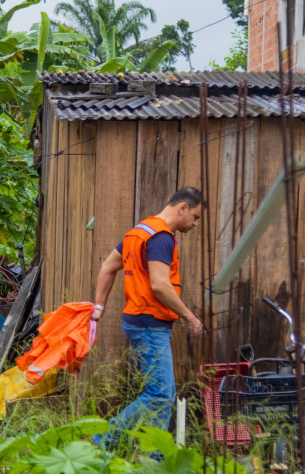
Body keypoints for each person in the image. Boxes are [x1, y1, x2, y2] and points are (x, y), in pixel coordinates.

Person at [91, 187, 205, 449]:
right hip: (150, 324)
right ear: (183, 208)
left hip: (139, 321)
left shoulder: (139, 231)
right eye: (196, 217)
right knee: (160, 394)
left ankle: (155, 457)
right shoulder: (162, 237)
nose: (195, 224)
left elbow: (108, 266)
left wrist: (99, 307)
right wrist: (189, 317)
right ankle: (101, 441)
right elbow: (160, 285)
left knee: (161, 395)